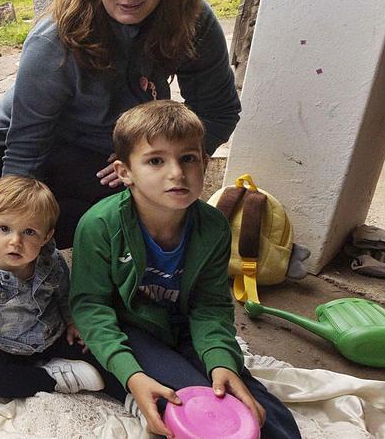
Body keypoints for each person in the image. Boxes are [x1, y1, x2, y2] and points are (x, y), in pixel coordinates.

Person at [0, 0, 241, 249]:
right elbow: (25, 148)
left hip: (127, 144)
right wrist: (15, 230)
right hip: (50, 143)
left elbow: (220, 110)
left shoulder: (191, 19)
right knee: (103, 225)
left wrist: (160, 157)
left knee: (162, 195)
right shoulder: (55, 39)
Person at [69, 100, 299, 438]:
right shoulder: (99, 225)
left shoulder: (214, 227)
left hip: (188, 331)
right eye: (156, 161)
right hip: (134, 332)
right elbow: (90, 307)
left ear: (205, 163)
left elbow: (211, 305)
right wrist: (131, 375)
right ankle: (118, 383)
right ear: (124, 172)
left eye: (188, 158)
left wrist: (221, 361)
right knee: (193, 405)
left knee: (266, 415)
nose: (177, 172)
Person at [0, 176, 124, 410]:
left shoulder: (50, 261)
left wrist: (73, 321)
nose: (15, 241)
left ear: (46, 236)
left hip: (51, 335)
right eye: (4, 228)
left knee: (95, 348)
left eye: (29, 232)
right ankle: (52, 379)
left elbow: (64, 294)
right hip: (0, 347)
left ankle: (133, 398)